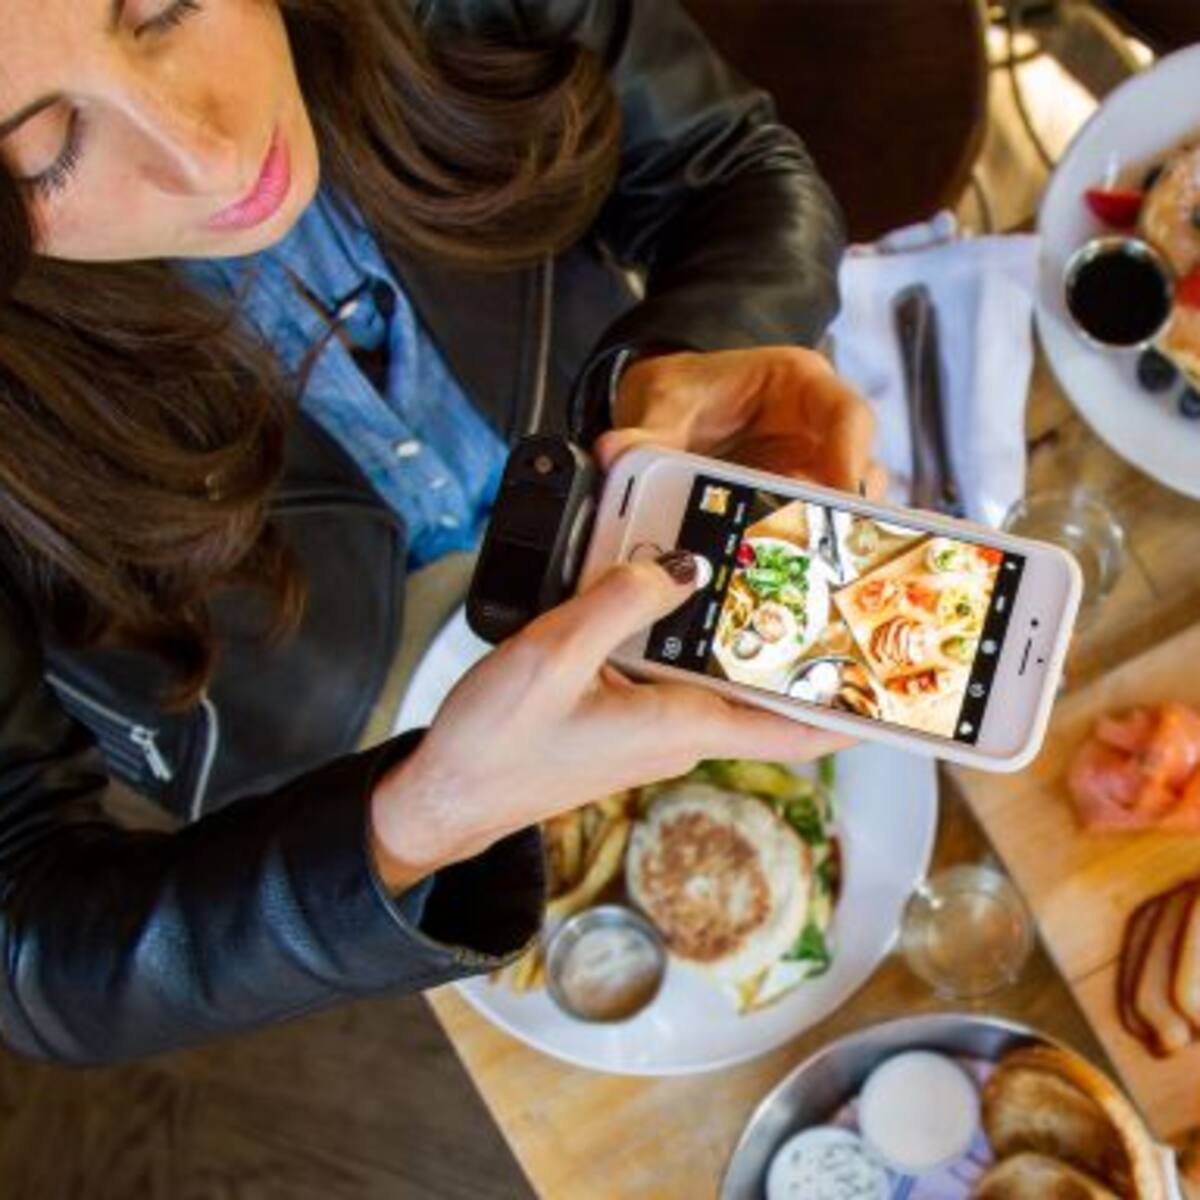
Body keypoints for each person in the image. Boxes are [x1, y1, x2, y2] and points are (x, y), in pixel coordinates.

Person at [0, 0, 877, 1063]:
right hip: (320, 749)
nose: (212, 155)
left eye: (165, 7)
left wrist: (691, 349)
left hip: (608, 487)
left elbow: (730, 164)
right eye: (45, 150)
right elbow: (29, 943)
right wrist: (422, 820)